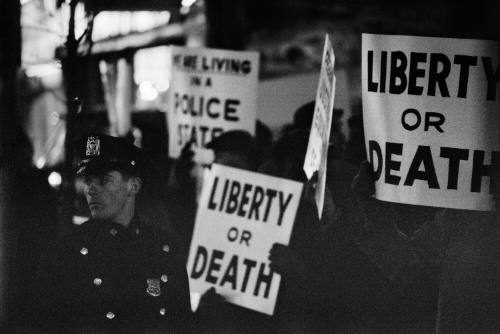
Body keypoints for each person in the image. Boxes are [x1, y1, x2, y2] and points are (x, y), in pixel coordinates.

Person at [36, 134, 192, 333]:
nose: (91, 189)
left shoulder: (164, 249)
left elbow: (182, 325)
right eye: (88, 180)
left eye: (104, 180)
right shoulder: (65, 253)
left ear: (133, 186)